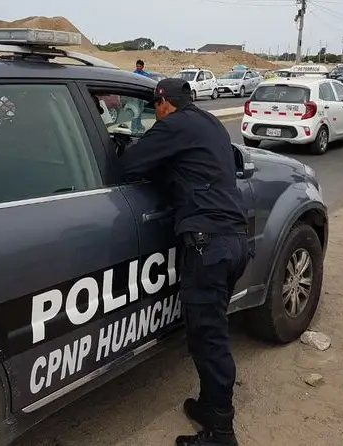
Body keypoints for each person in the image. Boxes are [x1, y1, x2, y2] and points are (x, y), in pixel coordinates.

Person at [120, 78, 250, 446]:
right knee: (210, 331)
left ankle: (221, 434)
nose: (155, 113)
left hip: (210, 246)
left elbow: (129, 164)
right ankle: (209, 407)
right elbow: (189, 168)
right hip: (233, 242)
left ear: (163, 102)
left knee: (209, 341)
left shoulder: (172, 125)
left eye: (154, 107)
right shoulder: (206, 122)